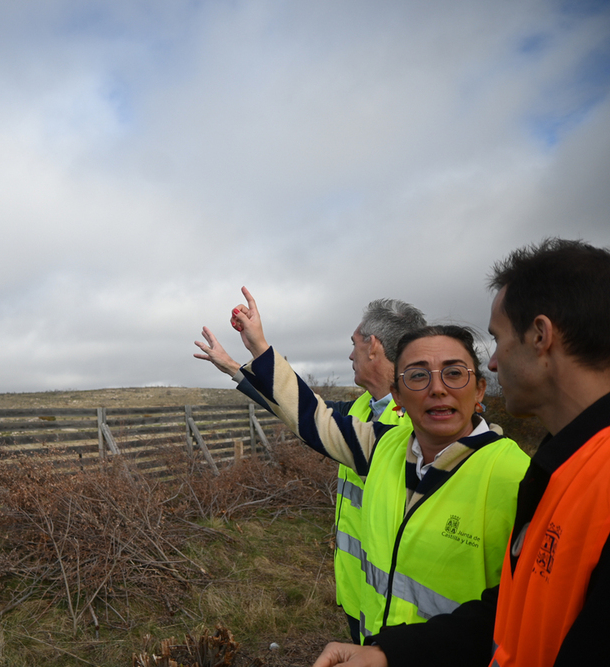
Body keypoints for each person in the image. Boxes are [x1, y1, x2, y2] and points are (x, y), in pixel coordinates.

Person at [311, 238, 610, 667]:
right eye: (417, 376)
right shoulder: (562, 468)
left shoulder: (536, 473)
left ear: (540, 336)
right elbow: (509, 610)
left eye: (498, 337)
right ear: (397, 394)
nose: (493, 361)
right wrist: (389, 654)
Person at [195, 288, 529, 641]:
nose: (437, 389)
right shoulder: (383, 443)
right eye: (418, 376)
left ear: (479, 390)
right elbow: (309, 414)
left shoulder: (516, 477)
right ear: (399, 394)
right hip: (374, 629)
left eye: (454, 373)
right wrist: (251, 353)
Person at [195, 298, 427, 644]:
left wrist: (260, 346)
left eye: (354, 344)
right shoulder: (364, 408)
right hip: (360, 592)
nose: (350, 355)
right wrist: (234, 367)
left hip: (403, 611)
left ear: (373, 346)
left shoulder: (415, 426)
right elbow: (299, 410)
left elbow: (306, 414)